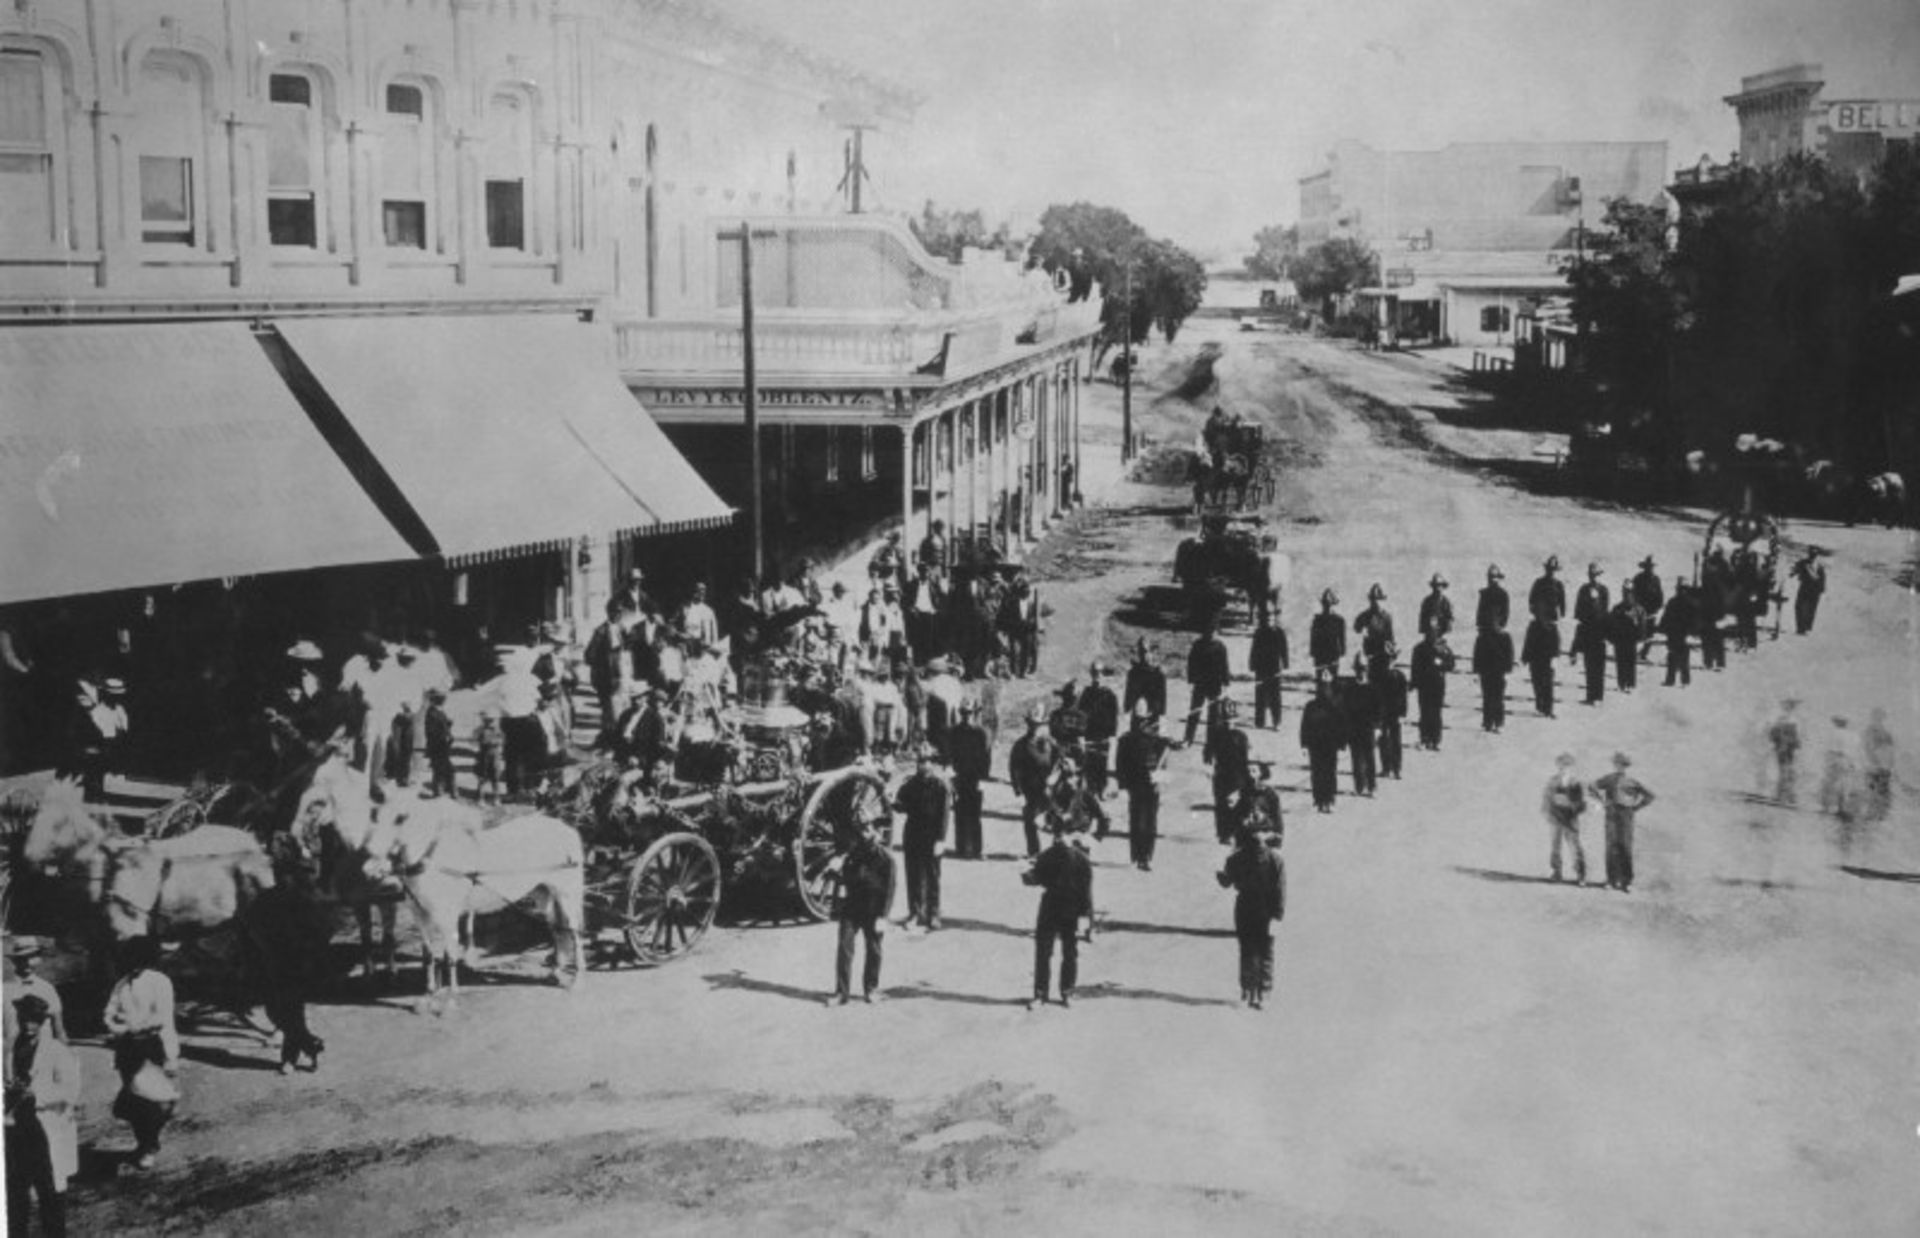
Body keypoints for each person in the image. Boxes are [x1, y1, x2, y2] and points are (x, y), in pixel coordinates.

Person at [103, 936, 180, 1170]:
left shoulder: (159, 982)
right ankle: (146, 1145)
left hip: (154, 1048)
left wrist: (170, 1056)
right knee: (138, 1102)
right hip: (128, 1051)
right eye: (131, 959)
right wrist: (119, 1029)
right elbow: (108, 1014)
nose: (135, 964)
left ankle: (150, 1140)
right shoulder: (122, 984)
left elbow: (163, 1018)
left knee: (163, 1103)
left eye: (140, 959)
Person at [5, 993, 78, 1236]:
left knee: (50, 1191)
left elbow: (70, 1090)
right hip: (15, 1128)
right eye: (24, 1019)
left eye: (34, 1020)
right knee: (15, 1191)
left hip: (45, 1128)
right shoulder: (9, 1049)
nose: (28, 1025)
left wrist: (37, 1094)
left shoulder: (55, 1050)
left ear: (44, 1021)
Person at [1023, 824, 1093, 1009]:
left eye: (1064, 835)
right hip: (1049, 908)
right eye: (1057, 835)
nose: (1060, 839)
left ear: (1073, 836)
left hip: (1071, 910)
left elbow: (1087, 893)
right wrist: (1026, 875)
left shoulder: (1082, 860)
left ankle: (1067, 992)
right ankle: (1040, 994)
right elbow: (1037, 877)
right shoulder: (1047, 855)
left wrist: (1086, 917)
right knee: (1043, 952)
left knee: (1069, 953)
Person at [1217, 825, 1286, 1009]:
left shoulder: (1236, 858)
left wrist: (1221, 877)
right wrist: (1278, 915)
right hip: (1268, 910)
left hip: (1245, 908)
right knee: (1266, 951)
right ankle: (1263, 992)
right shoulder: (1275, 860)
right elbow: (1280, 891)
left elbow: (1226, 882)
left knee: (1247, 949)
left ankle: (1248, 990)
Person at [832, 815, 895, 1006]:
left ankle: (871, 989)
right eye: (861, 831)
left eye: (868, 830)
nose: (865, 834)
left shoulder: (886, 859)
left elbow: (889, 890)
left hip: (874, 910)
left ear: (877, 833)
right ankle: (842, 993)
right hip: (852, 908)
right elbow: (847, 880)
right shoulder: (853, 854)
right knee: (844, 948)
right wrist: (835, 872)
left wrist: (883, 916)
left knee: (874, 950)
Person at [893, 746, 950, 932]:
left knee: (933, 876)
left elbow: (944, 816)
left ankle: (933, 913)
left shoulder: (940, 787)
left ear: (933, 764)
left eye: (928, 762)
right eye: (921, 762)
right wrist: (893, 802)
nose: (924, 766)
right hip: (913, 835)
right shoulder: (910, 785)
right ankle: (915, 912)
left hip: (932, 836)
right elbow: (901, 806)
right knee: (914, 875)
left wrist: (941, 840)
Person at [1591, 753, 1655, 893]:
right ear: (1615, 765)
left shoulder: (1633, 781)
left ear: (1626, 766)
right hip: (1612, 814)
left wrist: (1635, 808)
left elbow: (1650, 796)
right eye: (1617, 763)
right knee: (1611, 846)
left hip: (1626, 815)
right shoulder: (1609, 778)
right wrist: (1601, 802)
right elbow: (1592, 786)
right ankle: (1611, 879)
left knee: (1625, 846)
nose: (1619, 766)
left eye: (1622, 764)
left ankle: (1627, 881)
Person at [1115, 704, 1169, 871]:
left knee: (1151, 822)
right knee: (1137, 821)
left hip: (1152, 784)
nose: (1140, 723)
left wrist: (1160, 782)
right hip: (1135, 785)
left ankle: (1146, 857)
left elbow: (1163, 763)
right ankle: (1137, 855)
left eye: (1144, 720)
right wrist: (1123, 786)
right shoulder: (1125, 740)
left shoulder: (1159, 741)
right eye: (1137, 720)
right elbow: (1120, 764)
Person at [1009, 706, 1061, 858]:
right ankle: (1034, 851)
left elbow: (1060, 763)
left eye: (1039, 725)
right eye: (1032, 724)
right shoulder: (1021, 745)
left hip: (1049, 789)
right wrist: (1017, 788)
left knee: (1056, 819)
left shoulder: (1051, 744)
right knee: (1030, 820)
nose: (1035, 728)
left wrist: (1054, 779)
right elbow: (1013, 767)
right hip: (1030, 789)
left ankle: (1057, 850)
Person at [948, 702, 992, 860]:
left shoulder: (980, 733)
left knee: (975, 814)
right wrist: (951, 774)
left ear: (974, 714)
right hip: (959, 776)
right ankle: (960, 848)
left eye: (969, 713)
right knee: (959, 812)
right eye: (964, 713)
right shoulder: (954, 732)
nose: (966, 716)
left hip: (975, 778)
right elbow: (949, 754)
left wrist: (983, 778)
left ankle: (976, 849)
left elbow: (986, 757)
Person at [585, 601, 632, 746]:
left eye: (620, 613)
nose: (618, 615)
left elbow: (629, 649)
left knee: (622, 709)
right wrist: (605, 660)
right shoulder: (600, 631)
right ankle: (608, 740)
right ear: (609, 613)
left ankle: (621, 739)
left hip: (622, 676)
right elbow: (589, 656)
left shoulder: (623, 629)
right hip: (606, 678)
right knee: (609, 712)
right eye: (615, 612)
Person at [1206, 698, 1253, 842]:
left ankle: (1234, 833)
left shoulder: (1241, 737)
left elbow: (1246, 758)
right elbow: (1208, 755)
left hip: (1237, 774)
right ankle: (1223, 833)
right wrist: (1209, 768)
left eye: (1231, 720)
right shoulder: (1216, 735)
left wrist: (1247, 776)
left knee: (1237, 805)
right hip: (1221, 774)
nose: (1229, 723)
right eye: (1226, 720)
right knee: (1221, 805)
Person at [1077, 662, 1121, 811]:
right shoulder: (1087, 693)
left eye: (1101, 673)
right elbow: (1081, 715)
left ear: (1105, 675)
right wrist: (1081, 734)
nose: (1098, 677)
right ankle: (1090, 792)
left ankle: (1101, 788)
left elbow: (1114, 717)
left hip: (1103, 735)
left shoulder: (1110, 695)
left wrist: (1112, 735)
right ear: (1091, 675)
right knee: (1088, 763)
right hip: (1090, 734)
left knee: (1101, 763)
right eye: (1095, 673)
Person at [1299, 671, 1345, 813]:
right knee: (1317, 773)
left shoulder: (1336, 705)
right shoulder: (1310, 706)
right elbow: (1304, 727)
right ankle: (1319, 800)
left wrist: (1341, 742)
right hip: (1315, 745)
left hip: (1330, 744)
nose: (1324, 691)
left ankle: (1330, 799)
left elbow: (1342, 724)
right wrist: (1304, 745)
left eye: (1327, 687)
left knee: (1330, 772)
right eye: (1321, 687)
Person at [3, 939, 64, 1045]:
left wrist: (66, 1056)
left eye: (32, 957)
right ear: (14, 961)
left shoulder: (46, 989)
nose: (27, 963)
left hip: (41, 1054)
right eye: (22, 959)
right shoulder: (5, 989)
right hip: (10, 1052)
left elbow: (58, 1030)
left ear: (39, 959)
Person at [1543, 753, 1589, 885]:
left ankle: (1581, 875)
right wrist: (1548, 812)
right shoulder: (1552, 781)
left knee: (1575, 847)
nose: (1563, 769)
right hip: (1556, 818)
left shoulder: (1576, 783)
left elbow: (1582, 804)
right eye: (1561, 766)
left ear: (1571, 767)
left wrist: (1570, 804)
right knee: (1555, 847)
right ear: (1558, 766)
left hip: (1570, 820)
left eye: (1566, 766)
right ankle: (1556, 873)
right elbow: (1546, 800)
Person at [1185, 622, 1232, 748]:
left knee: (1214, 715)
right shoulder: (1198, 645)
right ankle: (1188, 738)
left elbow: (1225, 667)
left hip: (1215, 684)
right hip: (1200, 683)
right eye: (1208, 632)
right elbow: (1191, 663)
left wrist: (1225, 684)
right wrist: (1190, 681)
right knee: (1195, 711)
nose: (1211, 634)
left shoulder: (1220, 647)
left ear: (1217, 633)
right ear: (1204, 633)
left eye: (1213, 632)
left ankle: (1211, 741)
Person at [1336, 657, 1379, 797]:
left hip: (1368, 728)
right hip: (1354, 729)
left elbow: (1378, 710)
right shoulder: (1349, 688)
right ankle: (1359, 786)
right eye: (1359, 669)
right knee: (1356, 758)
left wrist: (1378, 728)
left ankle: (1372, 786)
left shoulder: (1373, 688)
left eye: (1364, 669)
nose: (1361, 672)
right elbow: (1344, 710)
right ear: (1355, 671)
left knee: (1370, 758)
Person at [1571, 563, 1610, 706]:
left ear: (1600, 576)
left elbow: (1606, 611)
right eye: (1592, 575)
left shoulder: (1604, 590)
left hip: (1599, 630)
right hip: (1587, 630)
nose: (1594, 578)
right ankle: (1589, 696)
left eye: (1597, 575)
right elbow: (1578, 610)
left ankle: (1598, 697)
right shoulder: (1583, 589)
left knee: (1599, 665)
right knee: (1589, 665)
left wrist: (1605, 631)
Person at [1410, 630, 1455, 751]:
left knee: (1435, 712)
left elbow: (1451, 664)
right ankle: (1425, 738)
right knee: (1425, 712)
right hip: (1424, 685)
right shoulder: (1419, 648)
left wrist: (1440, 663)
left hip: (1437, 685)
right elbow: (1415, 667)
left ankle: (1435, 739)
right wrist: (1413, 683)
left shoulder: (1442, 648)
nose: (1431, 636)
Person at [1472, 619, 1515, 733]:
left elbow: (1509, 655)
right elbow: (1477, 655)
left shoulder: (1505, 637)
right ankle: (1488, 722)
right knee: (1487, 697)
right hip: (1486, 672)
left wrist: (1508, 670)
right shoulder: (1482, 638)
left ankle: (1498, 722)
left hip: (1499, 672)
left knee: (1498, 698)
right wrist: (1476, 671)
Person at [1250, 611, 1289, 730]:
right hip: (1261, 667)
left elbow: (1284, 650)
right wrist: (1252, 664)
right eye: (1266, 620)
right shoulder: (1259, 632)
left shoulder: (1279, 632)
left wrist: (1285, 664)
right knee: (1260, 695)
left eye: (1270, 619)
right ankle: (1259, 721)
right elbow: (1254, 650)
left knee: (1275, 696)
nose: (1268, 622)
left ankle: (1276, 722)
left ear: (1274, 620)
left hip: (1274, 668)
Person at [1375, 652, 1410, 779]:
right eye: (1386, 660)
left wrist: (1402, 714)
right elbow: (1376, 697)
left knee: (1396, 741)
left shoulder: (1400, 676)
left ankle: (1396, 768)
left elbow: (1404, 697)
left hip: (1395, 713)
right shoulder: (1379, 676)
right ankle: (1386, 767)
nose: (1389, 662)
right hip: (1382, 713)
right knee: (1383, 740)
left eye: (1391, 659)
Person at [1352, 584, 1396, 680]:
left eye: (1378, 599)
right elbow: (1356, 631)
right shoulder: (1364, 616)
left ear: (1382, 600)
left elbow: (1391, 637)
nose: (1376, 602)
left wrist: (1391, 651)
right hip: (1369, 657)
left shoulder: (1386, 617)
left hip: (1383, 657)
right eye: (1373, 599)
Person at [1521, 612, 1560, 718]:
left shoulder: (1551, 627)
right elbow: (1528, 642)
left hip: (1545, 660)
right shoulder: (1534, 626)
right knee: (1539, 683)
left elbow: (1556, 644)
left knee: (1545, 684)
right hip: (1537, 659)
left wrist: (1555, 657)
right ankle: (1542, 706)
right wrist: (1525, 657)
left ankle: (1547, 708)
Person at [1659, 579, 1696, 687]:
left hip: (1683, 633)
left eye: (1684, 589)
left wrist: (1692, 632)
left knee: (1684, 658)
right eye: (1680, 589)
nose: (1682, 591)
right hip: (1674, 633)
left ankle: (1685, 681)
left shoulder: (1690, 603)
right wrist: (1663, 628)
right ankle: (1671, 680)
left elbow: (1695, 619)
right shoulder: (1672, 602)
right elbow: (1666, 617)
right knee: (1672, 657)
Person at [1862, 708, 1895, 824]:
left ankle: (1879, 815)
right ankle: (1876, 815)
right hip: (1877, 766)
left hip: (1881, 766)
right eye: (1877, 716)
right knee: (1875, 790)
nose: (1878, 718)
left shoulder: (1885, 733)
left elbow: (1890, 750)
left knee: (1880, 790)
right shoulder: (1873, 731)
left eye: (1880, 716)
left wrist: (1888, 765)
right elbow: (1867, 748)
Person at [1767, 699, 1802, 806]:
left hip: (1785, 746)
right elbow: (1775, 733)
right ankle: (1785, 796)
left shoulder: (1782, 718)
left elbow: (1773, 733)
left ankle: (1784, 795)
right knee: (1787, 770)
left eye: (1791, 705)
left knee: (1785, 770)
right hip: (1786, 747)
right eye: (1790, 705)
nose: (1791, 707)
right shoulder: (1788, 719)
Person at [422, 688, 457, 798]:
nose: (444, 700)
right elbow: (431, 731)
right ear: (437, 699)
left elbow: (442, 727)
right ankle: (441, 792)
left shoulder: (439, 712)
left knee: (444, 769)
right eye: (442, 698)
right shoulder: (432, 712)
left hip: (442, 745)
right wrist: (444, 736)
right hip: (437, 746)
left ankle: (445, 791)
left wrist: (448, 724)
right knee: (441, 769)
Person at [1124, 638, 1167, 721]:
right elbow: (1129, 691)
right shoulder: (1133, 673)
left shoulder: (1158, 674)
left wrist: (1162, 711)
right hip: (1137, 712)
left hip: (1153, 710)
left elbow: (1162, 694)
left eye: (1146, 652)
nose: (1144, 655)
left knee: (1152, 730)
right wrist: (1127, 707)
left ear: (1151, 653)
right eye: (1141, 652)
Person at [1607, 593, 1642, 693]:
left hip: (1632, 640)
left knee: (1631, 662)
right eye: (1626, 593)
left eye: (1630, 593)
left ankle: (1631, 684)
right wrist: (1611, 638)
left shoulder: (1638, 609)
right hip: (1619, 639)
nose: (1628, 597)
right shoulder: (1617, 608)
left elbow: (1642, 625)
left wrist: (1640, 639)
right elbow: (1611, 623)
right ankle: (1621, 683)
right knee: (1620, 662)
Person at [1308, 589, 1347, 676]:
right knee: (1320, 678)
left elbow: (1342, 638)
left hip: (1333, 654)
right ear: (1322, 605)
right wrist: (1313, 653)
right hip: (1320, 654)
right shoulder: (1317, 620)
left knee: (1333, 679)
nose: (1327, 607)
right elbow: (1313, 637)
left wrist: (1342, 651)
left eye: (1329, 604)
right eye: (1325, 604)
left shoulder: (1339, 620)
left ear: (1333, 605)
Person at [1791, 548, 1827, 636]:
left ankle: (1806, 627)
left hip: (1814, 590)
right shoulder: (1803, 563)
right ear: (1809, 554)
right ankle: (1800, 628)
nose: (1812, 556)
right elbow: (1794, 570)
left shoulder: (1819, 566)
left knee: (1811, 609)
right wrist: (1792, 573)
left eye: (1814, 555)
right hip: (1804, 588)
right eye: (1811, 554)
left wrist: (1821, 589)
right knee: (1799, 607)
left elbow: (1822, 578)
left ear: (1816, 555)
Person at [473, 709, 505, 805]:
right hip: (483, 754)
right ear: (483, 720)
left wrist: (497, 743)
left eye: (491, 720)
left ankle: (496, 798)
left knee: (495, 777)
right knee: (482, 777)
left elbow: (502, 740)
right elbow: (474, 742)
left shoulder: (498, 730)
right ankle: (480, 798)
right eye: (487, 720)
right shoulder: (479, 730)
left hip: (494, 754)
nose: (489, 722)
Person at [1528, 555, 1567, 622]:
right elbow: (1532, 599)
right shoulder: (1539, 583)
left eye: (1552, 569)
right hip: (1540, 616)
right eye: (1548, 569)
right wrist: (1534, 610)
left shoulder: (1558, 585)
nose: (1550, 571)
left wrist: (1562, 612)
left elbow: (1562, 601)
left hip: (1552, 616)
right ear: (1546, 569)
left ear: (1554, 571)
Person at [1418, 573, 1454, 639]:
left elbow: (1449, 619)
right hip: (1429, 635)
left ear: (1443, 587)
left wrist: (1442, 627)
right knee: (1418, 649)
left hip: (1441, 635)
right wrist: (1429, 627)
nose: (1438, 588)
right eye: (1436, 586)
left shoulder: (1446, 602)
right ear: (1433, 587)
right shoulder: (1427, 601)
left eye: (1440, 585)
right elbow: (1422, 619)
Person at [1476, 564, 1511, 633]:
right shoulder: (1484, 594)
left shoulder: (1502, 594)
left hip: (1495, 629)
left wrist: (1498, 625)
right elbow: (1480, 616)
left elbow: (1505, 615)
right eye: (1491, 577)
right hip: (1486, 630)